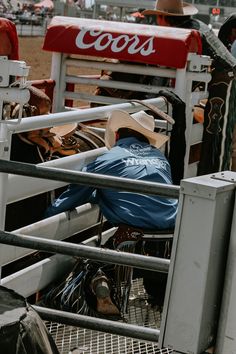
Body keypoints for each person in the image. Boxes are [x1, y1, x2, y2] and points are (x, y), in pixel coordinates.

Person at [142, 0, 236, 175]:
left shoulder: (187, 32)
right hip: (217, 76)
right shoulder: (194, 27)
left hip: (223, 79)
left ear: (163, 18)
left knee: (216, 131)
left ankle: (213, 175)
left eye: (158, 17)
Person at [45, 109, 178, 231]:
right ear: (147, 139)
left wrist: (48, 217)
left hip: (138, 228)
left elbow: (75, 193)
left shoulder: (107, 159)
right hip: (172, 224)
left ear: (117, 136)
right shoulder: (160, 156)